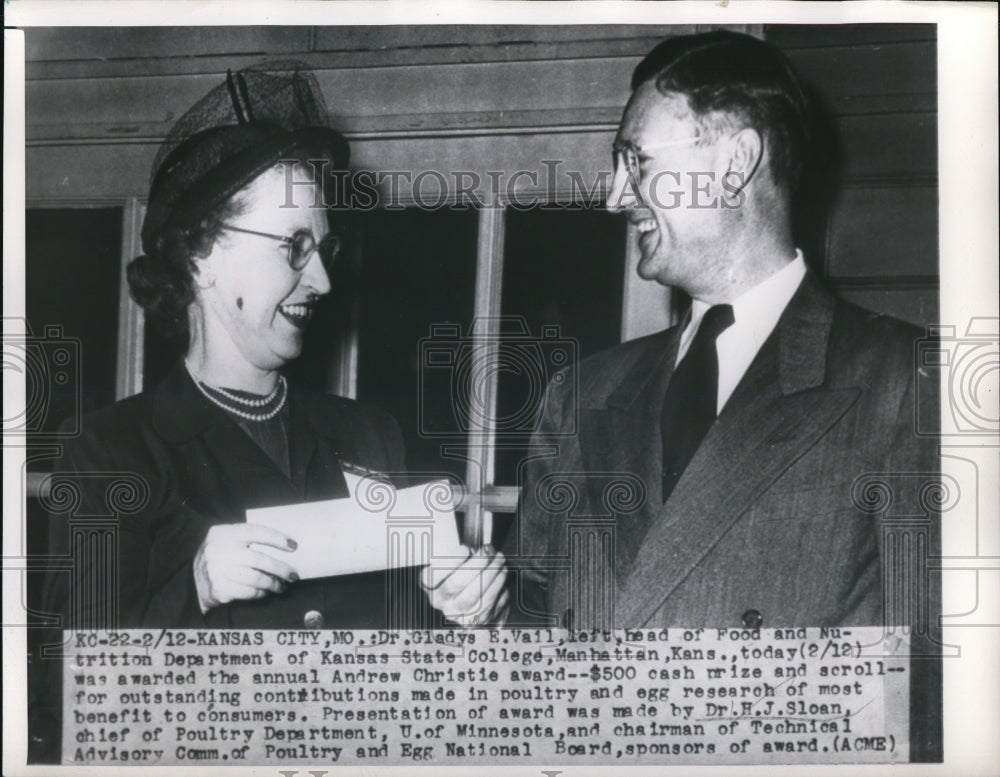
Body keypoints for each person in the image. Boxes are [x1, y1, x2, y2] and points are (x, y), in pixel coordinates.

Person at [423, 31, 939, 631]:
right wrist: (492, 609)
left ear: (736, 162)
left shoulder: (907, 380)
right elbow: (534, 626)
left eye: (636, 161)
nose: (617, 197)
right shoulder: (582, 395)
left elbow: (936, 678)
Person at [40, 64, 406, 633]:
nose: (323, 282)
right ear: (201, 257)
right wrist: (195, 591)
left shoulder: (370, 435)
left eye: (324, 250)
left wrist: (464, 611)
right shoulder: (107, 454)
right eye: (294, 246)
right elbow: (62, 689)